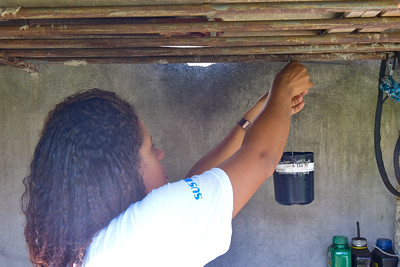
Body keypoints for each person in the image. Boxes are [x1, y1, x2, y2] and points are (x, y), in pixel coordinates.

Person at [21, 61, 313, 267]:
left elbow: (193, 187)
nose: (160, 153)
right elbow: (261, 158)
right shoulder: (148, 229)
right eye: (149, 149)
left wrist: (259, 112)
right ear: (120, 173)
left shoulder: (99, 241)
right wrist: (283, 86)